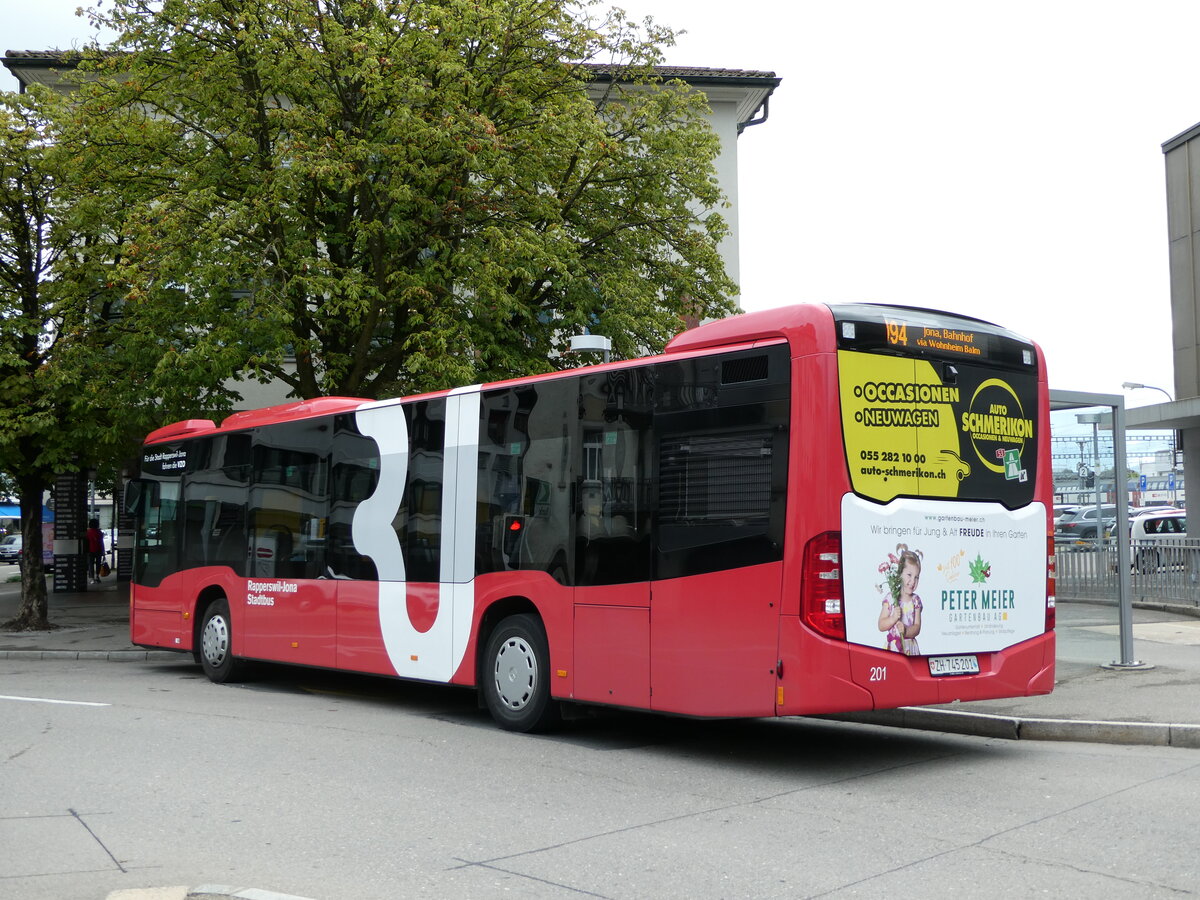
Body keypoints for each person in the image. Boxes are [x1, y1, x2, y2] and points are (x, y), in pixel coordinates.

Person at [878, 546, 923, 655]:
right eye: (909, 575)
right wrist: (893, 618)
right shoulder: (891, 598)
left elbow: (917, 627)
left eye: (916, 577)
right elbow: (881, 625)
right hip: (894, 648)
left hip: (910, 648)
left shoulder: (915, 600)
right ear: (899, 574)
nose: (912, 581)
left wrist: (906, 631)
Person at [85, 518, 105, 584]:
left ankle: (92, 578)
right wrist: (103, 551)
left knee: (91, 564)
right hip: (99, 550)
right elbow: (101, 542)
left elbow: (87, 542)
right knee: (98, 563)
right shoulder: (100, 532)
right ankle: (97, 576)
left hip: (90, 550)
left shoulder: (88, 532)